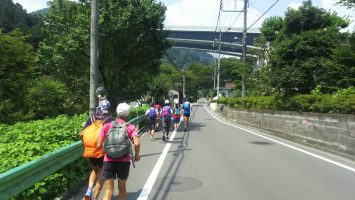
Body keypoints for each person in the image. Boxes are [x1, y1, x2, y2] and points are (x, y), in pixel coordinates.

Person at [97, 103, 140, 200]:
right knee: (122, 187)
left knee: (108, 191)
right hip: (124, 161)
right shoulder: (130, 127)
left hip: (108, 160)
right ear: (128, 114)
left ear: (116, 112)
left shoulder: (107, 126)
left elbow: (98, 144)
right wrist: (137, 155)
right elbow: (136, 143)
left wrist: (106, 151)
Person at [81, 99, 114, 200]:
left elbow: (83, 133)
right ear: (108, 108)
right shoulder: (110, 120)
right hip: (101, 151)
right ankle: (95, 197)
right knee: (101, 173)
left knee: (94, 170)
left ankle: (89, 189)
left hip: (89, 150)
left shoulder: (91, 119)